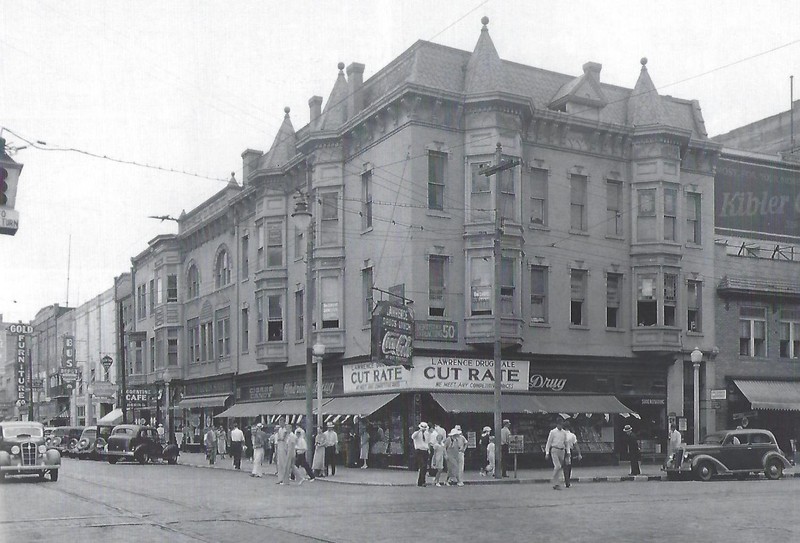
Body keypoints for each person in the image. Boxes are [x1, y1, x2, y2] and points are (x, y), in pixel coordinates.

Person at [545, 418, 568, 490]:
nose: (561, 426)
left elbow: (566, 443)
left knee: (560, 467)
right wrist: (547, 452)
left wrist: (568, 452)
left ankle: (556, 483)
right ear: (557, 424)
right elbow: (548, 442)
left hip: (562, 450)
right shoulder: (553, 432)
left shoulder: (564, 433)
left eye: (562, 424)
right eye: (560, 424)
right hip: (555, 449)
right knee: (557, 466)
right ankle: (553, 478)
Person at [412, 422, 430, 487]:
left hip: (425, 450)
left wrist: (429, 449)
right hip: (419, 451)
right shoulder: (416, 433)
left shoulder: (427, 433)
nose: (424, 429)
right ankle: (423, 481)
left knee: (424, 467)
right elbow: (413, 437)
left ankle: (420, 481)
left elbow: (427, 442)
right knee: (422, 465)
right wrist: (419, 430)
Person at [564, 422, 581, 488]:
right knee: (569, 466)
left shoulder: (562, 435)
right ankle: (568, 480)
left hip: (562, 450)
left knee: (565, 466)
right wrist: (579, 453)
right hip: (570, 451)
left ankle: (567, 481)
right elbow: (576, 445)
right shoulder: (572, 435)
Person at [274, 418, 290, 483]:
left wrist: (280, 439)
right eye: (279, 422)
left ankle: (285, 478)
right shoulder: (279, 430)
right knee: (279, 463)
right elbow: (278, 438)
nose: (280, 423)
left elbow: (283, 438)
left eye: (281, 422)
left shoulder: (285, 430)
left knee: (284, 463)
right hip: (279, 447)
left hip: (284, 447)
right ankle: (280, 478)